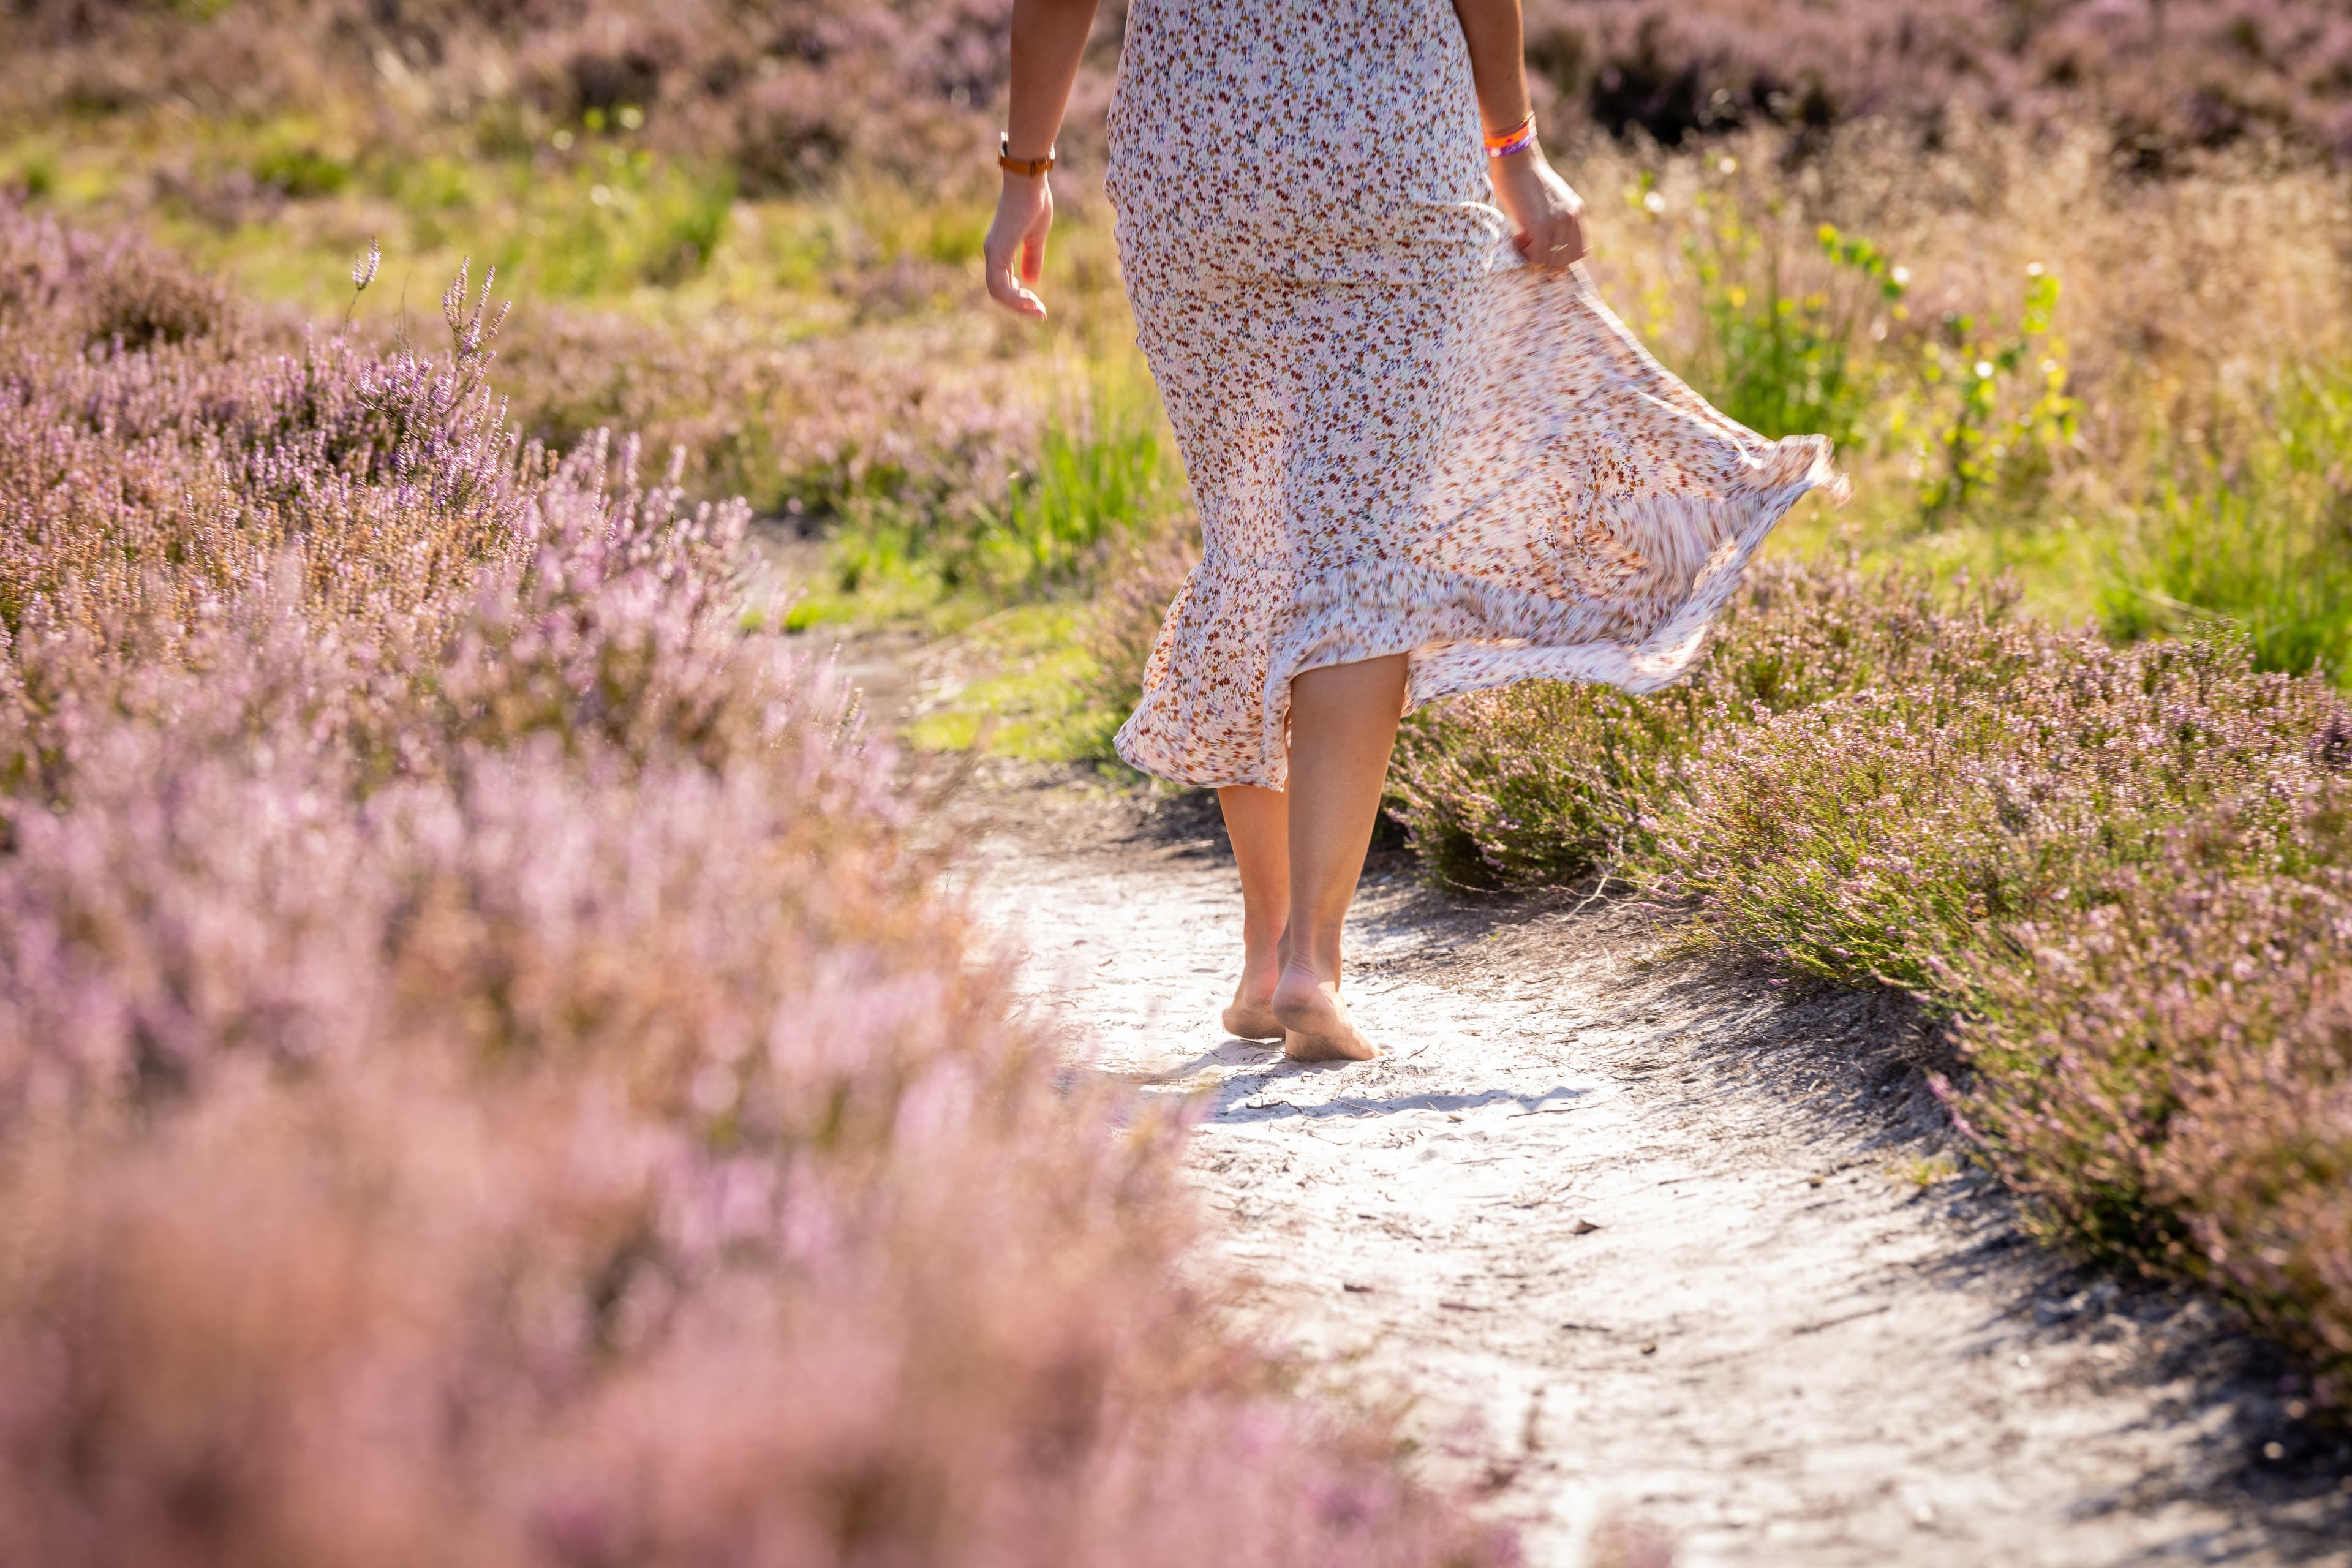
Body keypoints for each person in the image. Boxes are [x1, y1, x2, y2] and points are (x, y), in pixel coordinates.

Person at [984, 0, 1842, 1063]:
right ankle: (1311, 964)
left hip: (1198, 167)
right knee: (1361, 562)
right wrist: (1515, 149)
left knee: (1256, 544)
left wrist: (1025, 175)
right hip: (1391, 156)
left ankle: (1265, 954)